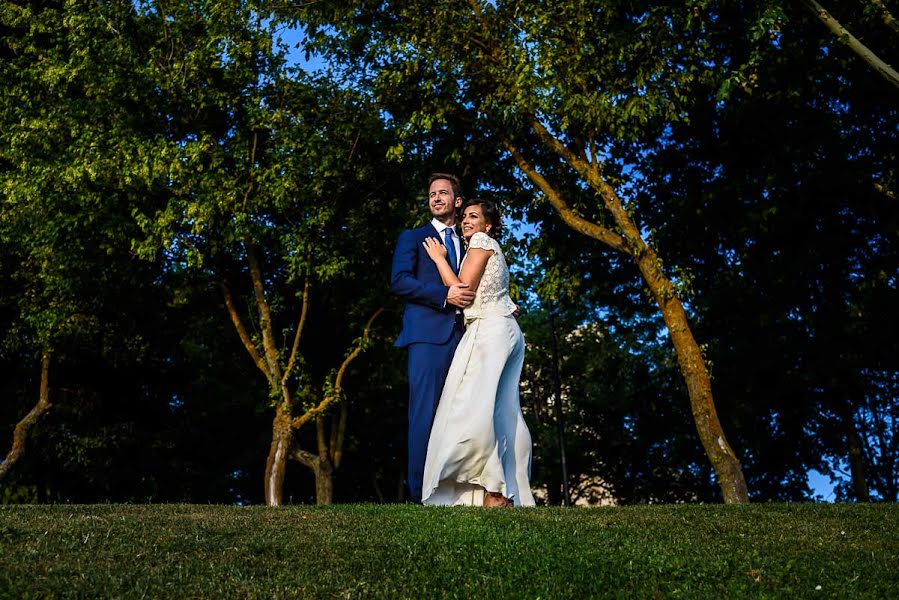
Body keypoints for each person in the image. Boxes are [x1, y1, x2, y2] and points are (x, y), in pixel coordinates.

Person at [420, 199, 535, 507]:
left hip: (490, 331)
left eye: (474, 216)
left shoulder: (481, 242)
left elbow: (463, 290)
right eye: (465, 217)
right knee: (505, 412)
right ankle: (513, 490)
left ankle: (496, 491)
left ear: (488, 225)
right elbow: (499, 295)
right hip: (506, 329)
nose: (466, 221)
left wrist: (439, 259)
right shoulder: (493, 248)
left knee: (474, 408)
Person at [390, 173, 475, 503]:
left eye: (443, 193)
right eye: (431, 194)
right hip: (427, 337)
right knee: (423, 414)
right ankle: (419, 493)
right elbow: (399, 282)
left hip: (464, 338)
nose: (436, 198)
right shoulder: (413, 237)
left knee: (459, 415)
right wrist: (444, 295)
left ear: (457, 201)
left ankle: (451, 491)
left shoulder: (466, 241)